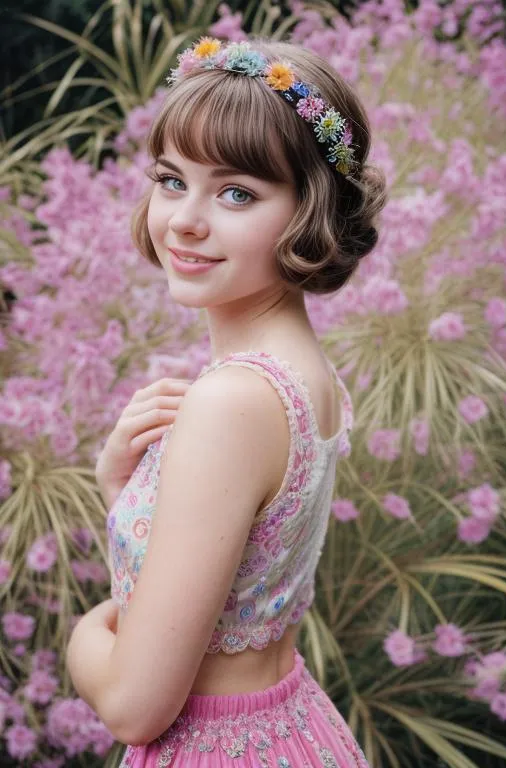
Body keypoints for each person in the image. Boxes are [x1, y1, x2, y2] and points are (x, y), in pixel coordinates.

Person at [66, 35, 386, 767]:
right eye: (172, 179)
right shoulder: (304, 373)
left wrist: (86, 636)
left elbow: (134, 706)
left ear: (311, 210)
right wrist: (127, 491)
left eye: (236, 192)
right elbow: (242, 584)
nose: (184, 218)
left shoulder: (231, 401)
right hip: (290, 724)